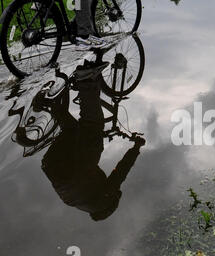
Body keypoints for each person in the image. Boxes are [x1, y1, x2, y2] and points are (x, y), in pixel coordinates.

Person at [40, 60, 145, 221]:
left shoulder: (105, 200)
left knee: (93, 125)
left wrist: (136, 147)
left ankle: (86, 80)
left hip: (75, 171)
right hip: (50, 164)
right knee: (72, 130)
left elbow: (121, 172)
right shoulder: (81, 204)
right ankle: (50, 104)